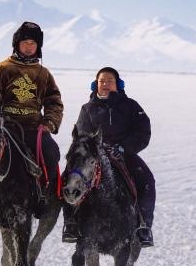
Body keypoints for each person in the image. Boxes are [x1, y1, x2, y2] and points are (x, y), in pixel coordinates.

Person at [0, 22, 64, 208]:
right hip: (5, 126)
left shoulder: (43, 73)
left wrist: (49, 123)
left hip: (34, 127)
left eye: (33, 43)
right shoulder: (2, 68)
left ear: (38, 46)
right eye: (25, 42)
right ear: (17, 44)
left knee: (52, 152)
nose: (29, 47)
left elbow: (54, 100)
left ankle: (44, 195)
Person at [67, 66, 156, 248]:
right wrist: (93, 150)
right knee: (69, 178)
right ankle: (71, 224)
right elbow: (82, 135)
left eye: (110, 81)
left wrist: (124, 148)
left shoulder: (131, 106)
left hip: (124, 155)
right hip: (93, 156)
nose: (105, 84)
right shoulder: (87, 108)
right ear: (95, 85)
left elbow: (143, 131)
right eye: (102, 81)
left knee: (146, 180)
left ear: (118, 84)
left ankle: (144, 226)